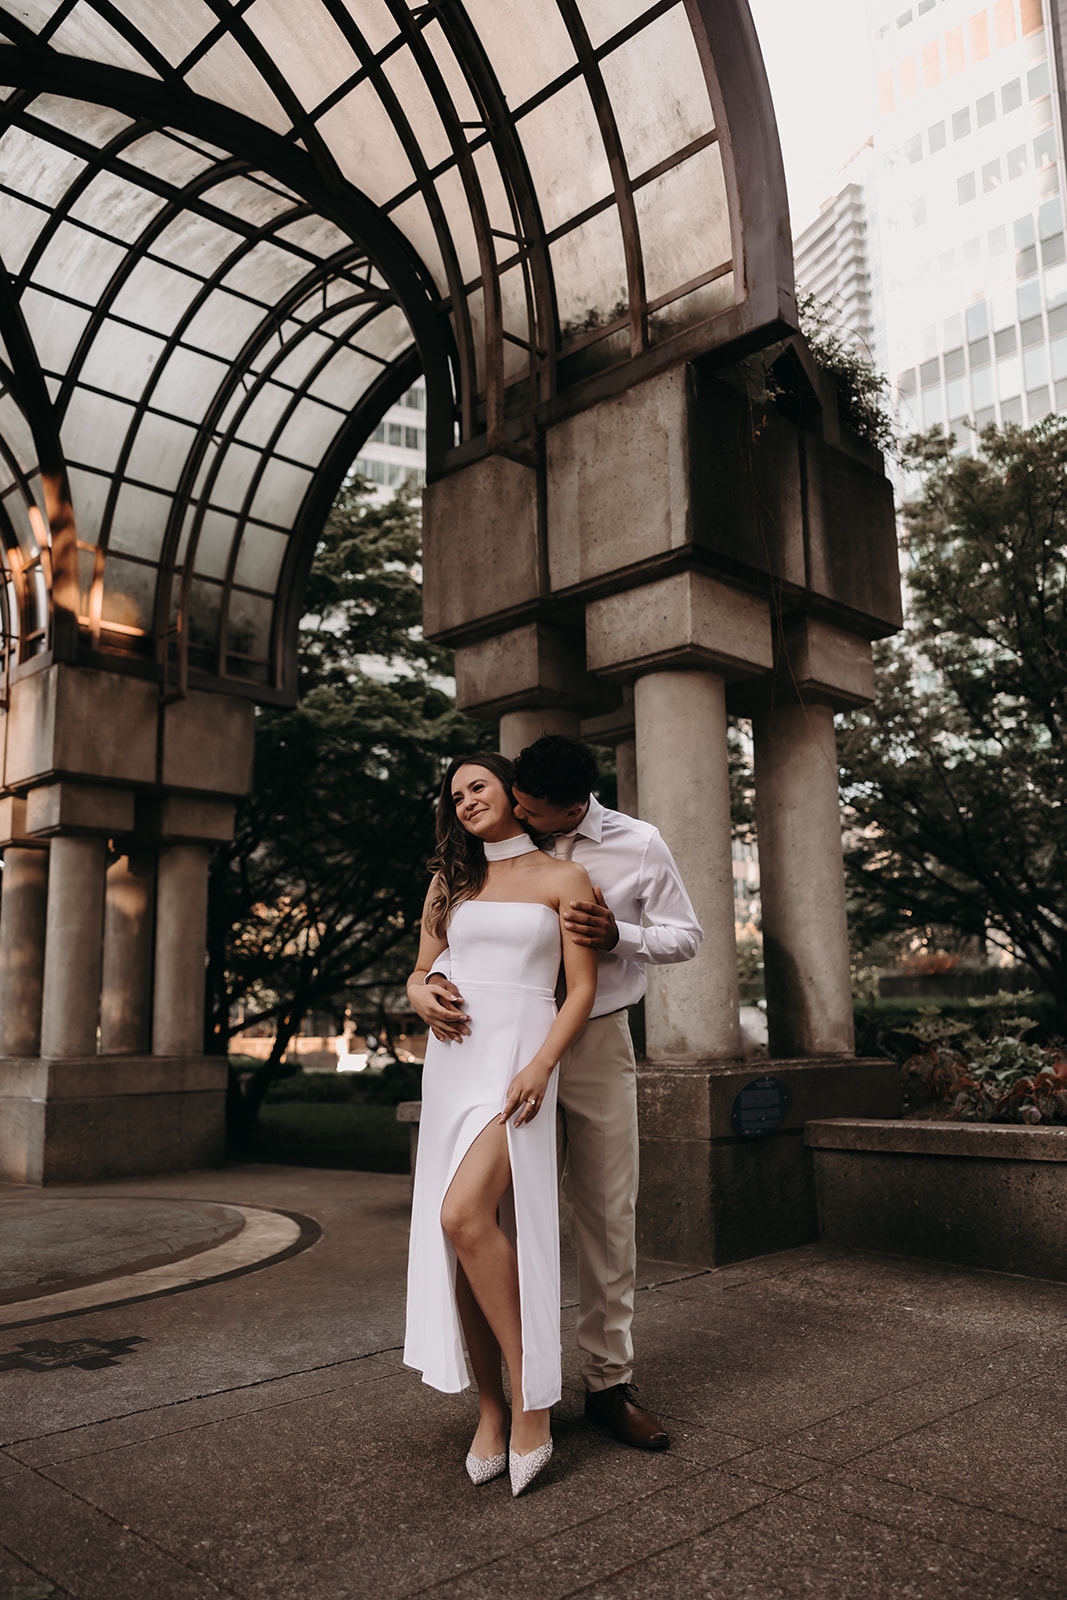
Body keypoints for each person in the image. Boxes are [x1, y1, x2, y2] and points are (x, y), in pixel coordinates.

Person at [410, 734, 703, 1451]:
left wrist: (619, 932)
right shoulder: (479, 859)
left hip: (594, 1037)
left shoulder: (637, 844)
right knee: (486, 1215)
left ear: (573, 806)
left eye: (536, 812)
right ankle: (507, 1393)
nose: (522, 817)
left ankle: (607, 1383)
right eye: (516, 804)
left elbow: (686, 937)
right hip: (493, 1046)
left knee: (605, 1210)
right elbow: (443, 947)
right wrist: (421, 984)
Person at [403, 751, 598, 1497]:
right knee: (455, 1233)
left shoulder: (562, 879)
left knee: (462, 1214)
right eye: (453, 796)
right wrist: (421, 992)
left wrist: (541, 1065)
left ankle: (534, 1400)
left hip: (519, 1058)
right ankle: (491, 1408)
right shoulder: (451, 883)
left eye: (476, 786)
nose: (464, 802)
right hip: (453, 1063)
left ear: (514, 795)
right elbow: (420, 971)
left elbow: (577, 990)